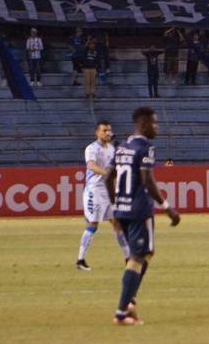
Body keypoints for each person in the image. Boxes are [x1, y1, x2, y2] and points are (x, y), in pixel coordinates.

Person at [109, 107, 181, 325]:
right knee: (137, 258)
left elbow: (108, 178)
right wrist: (167, 208)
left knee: (146, 254)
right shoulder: (145, 147)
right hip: (139, 210)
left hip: (122, 210)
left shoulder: (121, 147)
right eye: (154, 123)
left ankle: (129, 303)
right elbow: (147, 180)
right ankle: (122, 312)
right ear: (143, 123)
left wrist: (116, 204)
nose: (156, 127)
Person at [76, 120, 131, 271]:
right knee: (93, 224)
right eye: (104, 130)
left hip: (109, 191)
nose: (107, 133)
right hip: (94, 190)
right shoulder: (91, 148)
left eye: (109, 130)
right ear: (97, 133)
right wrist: (108, 174)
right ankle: (80, 260)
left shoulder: (112, 148)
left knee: (117, 223)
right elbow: (91, 166)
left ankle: (128, 258)